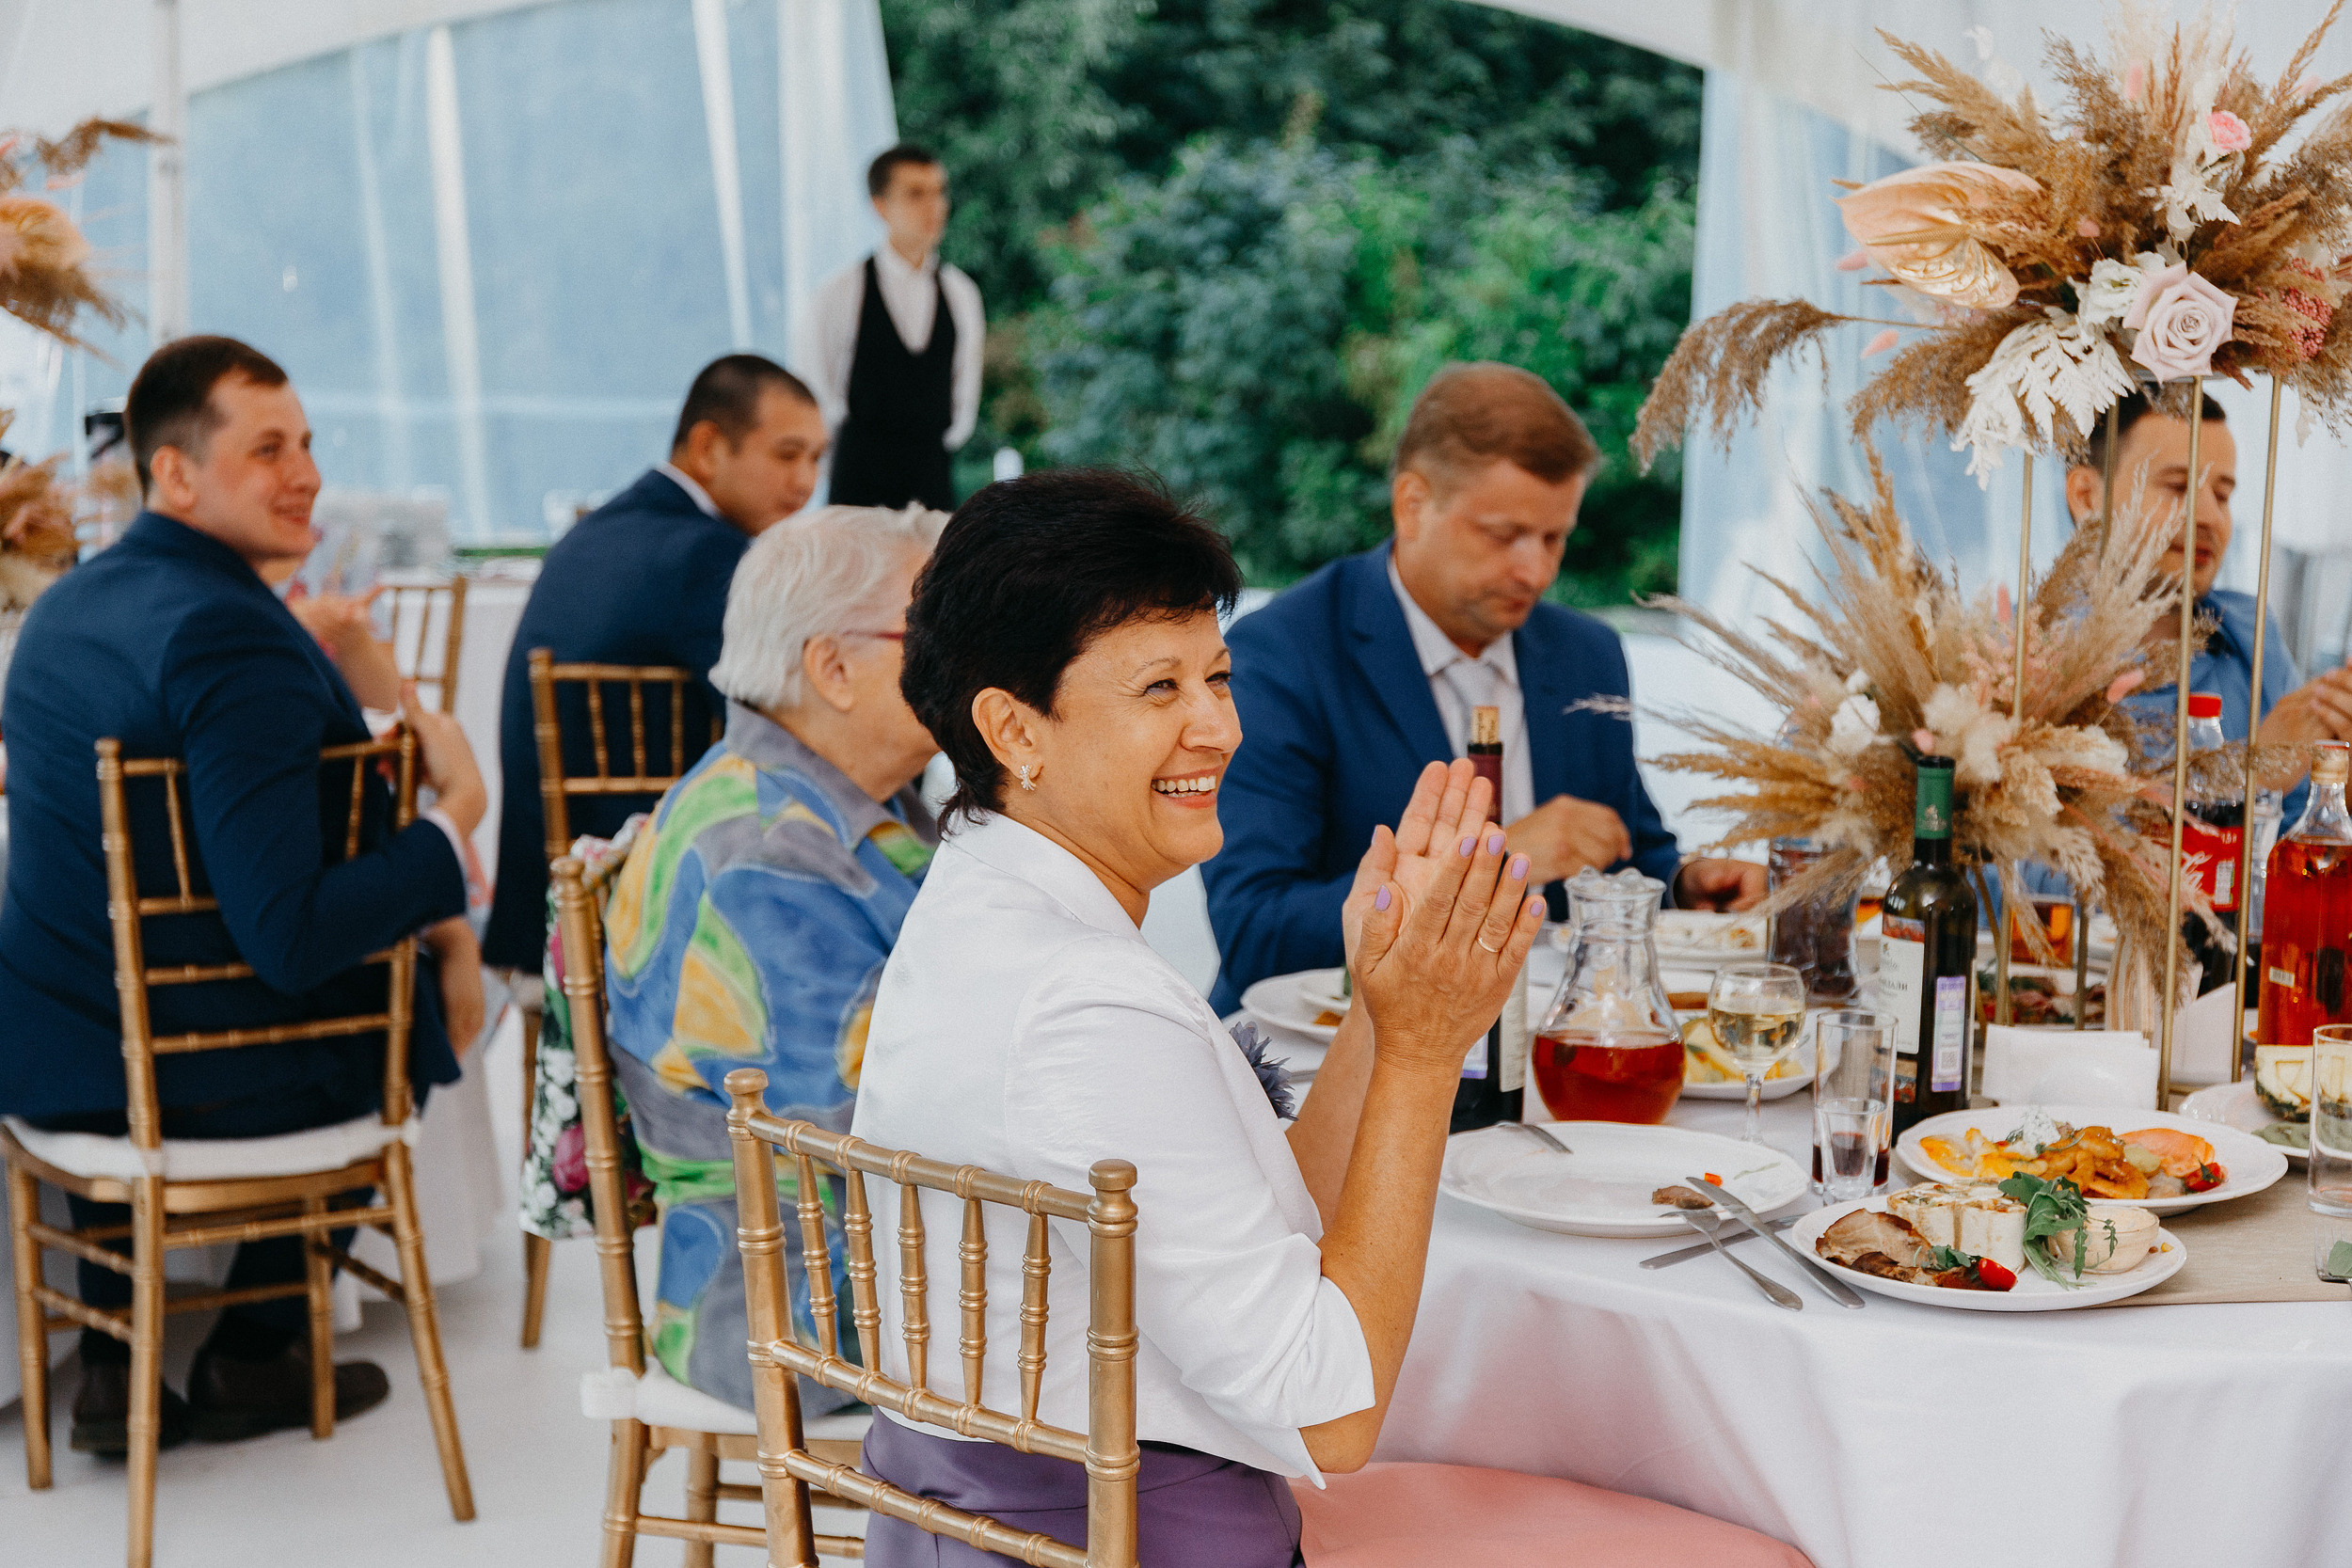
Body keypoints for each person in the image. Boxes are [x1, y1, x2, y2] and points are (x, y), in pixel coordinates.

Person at [852, 468, 1545, 1565]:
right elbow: (1334, 1414)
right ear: (1013, 728)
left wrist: (1374, 1009)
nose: (1217, 725)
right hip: (1128, 1537)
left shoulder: (981, 902)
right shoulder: (1087, 1006)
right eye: (1158, 688)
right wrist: (1424, 1050)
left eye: (1217, 676)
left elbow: (1274, 1232)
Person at [0, 336, 487, 1453]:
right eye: (267, 449)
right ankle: (258, 1347)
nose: (305, 472)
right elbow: (291, 934)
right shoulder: (231, 634)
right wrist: (451, 824)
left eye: (308, 444)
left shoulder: (70, 608)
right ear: (174, 473)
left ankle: (119, 1363)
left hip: (55, 1049)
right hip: (191, 1081)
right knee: (404, 997)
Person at [1205, 362, 1765, 1012]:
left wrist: (1687, 886)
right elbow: (1255, 930)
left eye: (1555, 537)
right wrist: (1491, 862)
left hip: (1553, 1049)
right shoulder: (1282, 654)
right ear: (1412, 504)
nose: (1537, 569)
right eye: (1504, 536)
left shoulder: (1588, 654)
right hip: (1335, 1059)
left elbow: (1629, 851)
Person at [600, 502, 945, 1414]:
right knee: (1149, 1308)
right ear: (831, 667)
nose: (976, 653)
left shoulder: (861, 802)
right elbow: (881, 1123)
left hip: (879, 1245)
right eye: (939, 627)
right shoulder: (764, 848)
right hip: (796, 1296)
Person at [483, 355, 827, 974]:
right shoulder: (705, 554)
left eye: (816, 459)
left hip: (540, 902)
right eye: (786, 454)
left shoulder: (599, 532)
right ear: (708, 446)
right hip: (642, 915)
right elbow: (795, 724)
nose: (805, 482)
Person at [2067, 390, 2352, 802]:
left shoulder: (2247, 630)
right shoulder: (2019, 665)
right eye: (2179, 486)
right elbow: (2044, 860)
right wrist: (2248, 777)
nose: (2210, 518)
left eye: (2222, 495)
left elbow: (2310, 820)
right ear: (2087, 497)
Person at [795, 144, 984, 512]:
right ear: (879, 206)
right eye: (915, 194)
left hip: (932, 480)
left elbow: (963, 401)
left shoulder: (962, 294)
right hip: (856, 486)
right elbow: (816, 393)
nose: (935, 207)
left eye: (939, 192)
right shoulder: (839, 293)